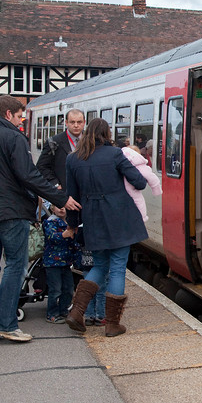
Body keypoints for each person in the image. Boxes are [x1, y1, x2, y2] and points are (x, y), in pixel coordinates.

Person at [0, 95, 81, 343]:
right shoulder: (14, 137)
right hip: (10, 212)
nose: (21, 120)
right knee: (14, 265)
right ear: (9, 114)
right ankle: (6, 324)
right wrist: (60, 198)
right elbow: (28, 175)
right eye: (20, 116)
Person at [63, 118, 147, 337]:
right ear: (107, 133)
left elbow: (72, 197)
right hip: (119, 216)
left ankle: (76, 312)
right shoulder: (115, 154)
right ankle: (111, 324)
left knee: (99, 266)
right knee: (118, 267)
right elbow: (139, 182)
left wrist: (72, 225)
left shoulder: (73, 159)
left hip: (92, 218)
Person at [42, 205, 79, 324]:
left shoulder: (69, 222)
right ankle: (52, 313)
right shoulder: (50, 222)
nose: (61, 209)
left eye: (63, 207)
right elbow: (51, 237)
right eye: (58, 207)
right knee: (55, 289)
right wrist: (64, 234)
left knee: (68, 288)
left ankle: (63, 309)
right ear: (52, 209)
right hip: (52, 262)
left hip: (66, 262)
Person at [36, 108, 85, 189]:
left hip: (86, 192)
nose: (76, 125)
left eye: (79, 122)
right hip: (65, 191)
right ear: (66, 123)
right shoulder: (54, 141)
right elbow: (41, 166)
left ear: (84, 123)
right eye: (72, 122)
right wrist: (55, 183)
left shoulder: (91, 140)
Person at [116, 138, 162, 221]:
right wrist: (156, 190)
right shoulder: (140, 164)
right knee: (138, 201)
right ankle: (142, 217)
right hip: (133, 191)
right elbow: (152, 178)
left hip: (120, 195)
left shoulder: (118, 163)